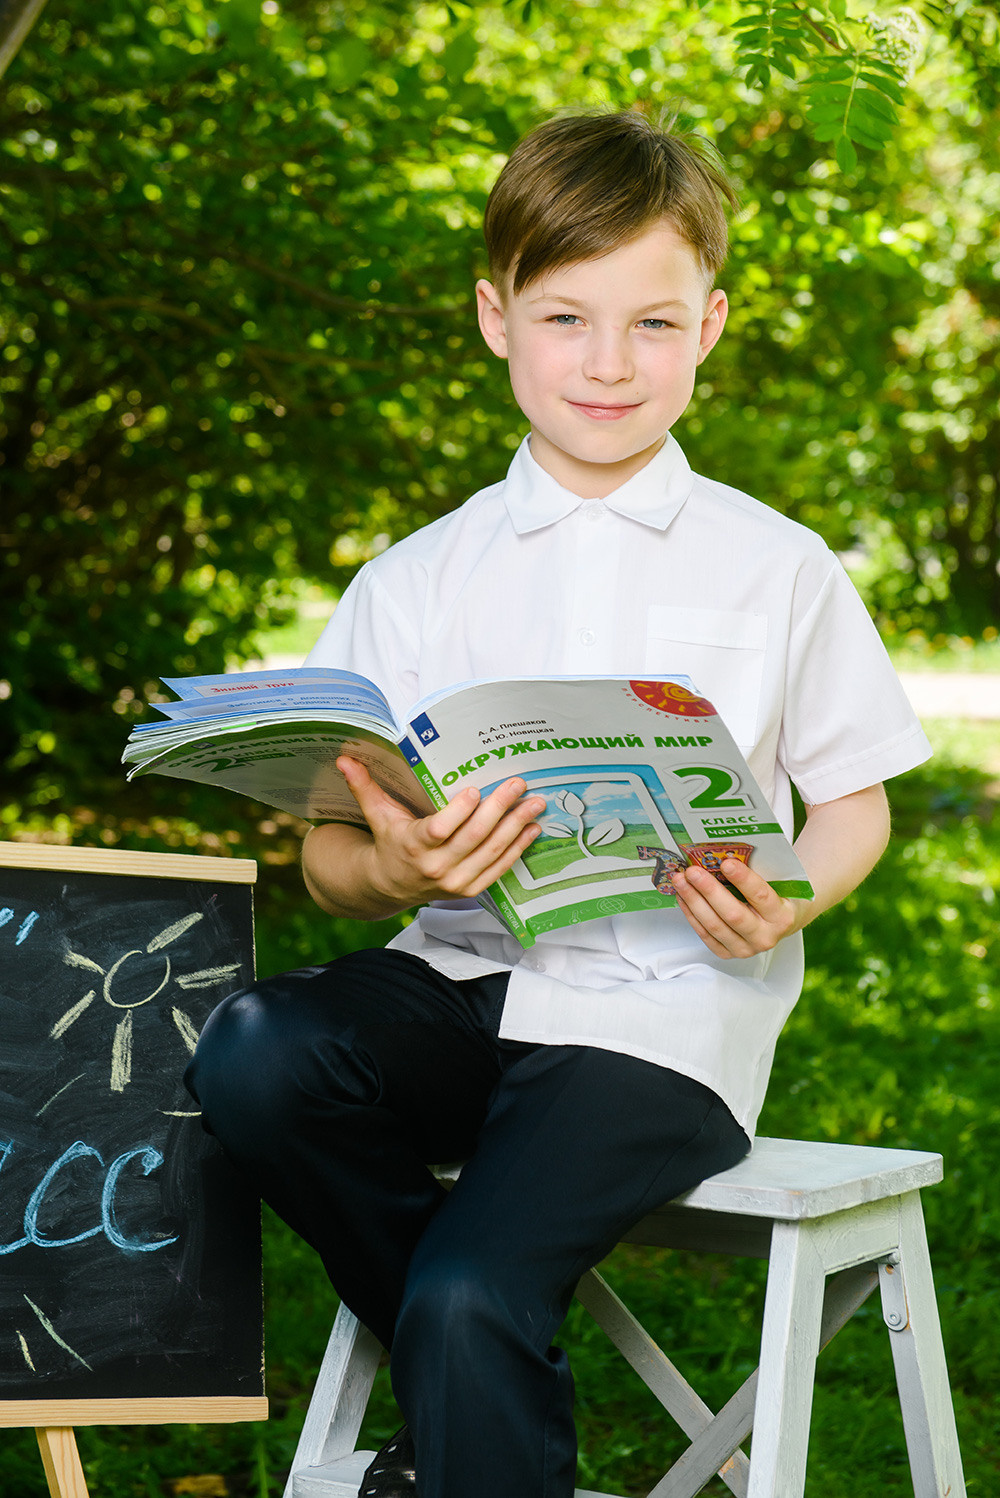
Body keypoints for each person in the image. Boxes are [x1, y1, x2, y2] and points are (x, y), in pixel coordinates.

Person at [186, 109, 932, 1498]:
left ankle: (470, 1346)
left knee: (472, 1293)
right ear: (495, 317)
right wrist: (399, 863)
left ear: (712, 324)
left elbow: (855, 806)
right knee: (252, 1047)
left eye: (652, 323)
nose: (606, 363)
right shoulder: (416, 578)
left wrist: (796, 888)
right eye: (565, 316)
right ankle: (476, 1359)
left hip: (664, 1017)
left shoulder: (778, 567)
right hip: (459, 983)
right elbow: (329, 860)